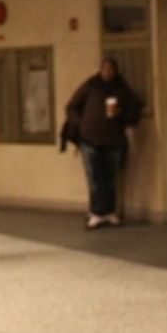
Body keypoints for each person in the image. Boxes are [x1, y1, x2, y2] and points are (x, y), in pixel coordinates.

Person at [62, 57, 144, 228]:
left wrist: (120, 113)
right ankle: (96, 212)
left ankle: (109, 211)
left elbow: (135, 110)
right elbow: (71, 106)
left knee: (111, 177)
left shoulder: (122, 89)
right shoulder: (91, 86)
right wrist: (81, 124)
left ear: (115, 70)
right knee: (94, 177)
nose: (107, 71)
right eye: (104, 68)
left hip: (113, 139)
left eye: (110, 68)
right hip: (89, 139)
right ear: (100, 69)